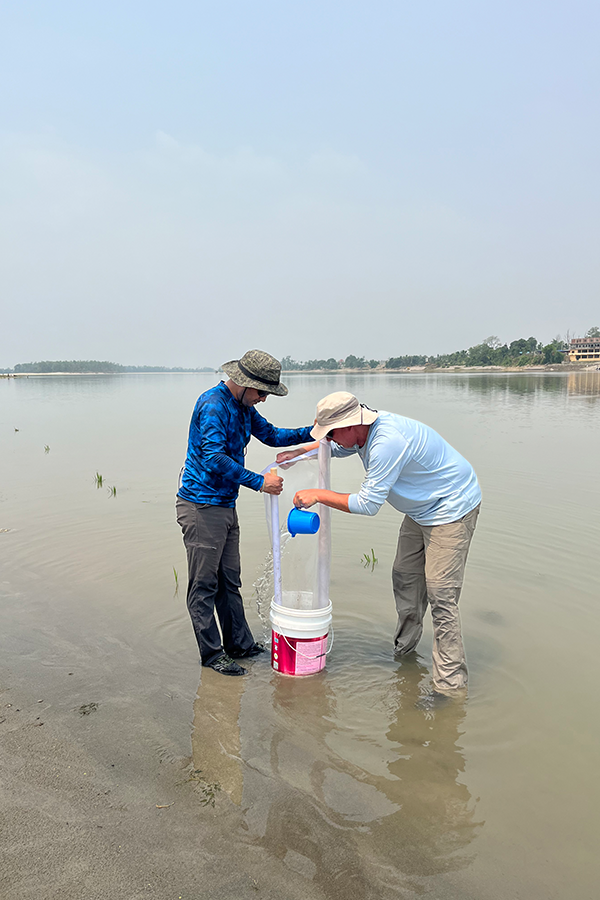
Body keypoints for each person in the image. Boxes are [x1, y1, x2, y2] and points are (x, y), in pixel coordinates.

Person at [278, 391, 481, 693]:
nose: (329, 440)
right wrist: (299, 453)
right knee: (405, 579)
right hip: (420, 509)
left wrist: (318, 494)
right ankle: (405, 653)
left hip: (451, 508)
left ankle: (450, 687)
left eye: (332, 433)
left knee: (441, 595)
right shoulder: (361, 435)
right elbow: (337, 449)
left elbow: (368, 504)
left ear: (351, 425)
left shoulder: (388, 442)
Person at [176, 350, 313, 676]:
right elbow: (213, 459)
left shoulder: (243, 407)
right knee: (204, 585)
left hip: (224, 505)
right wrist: (259, 482)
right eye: (262, 392)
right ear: (244, 382)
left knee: (229, 581)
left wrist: (318, 431)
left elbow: (274, 436)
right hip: (200, 506)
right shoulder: (213, 405)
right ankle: (212, 655)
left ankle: (239, 644)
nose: (264, 399)